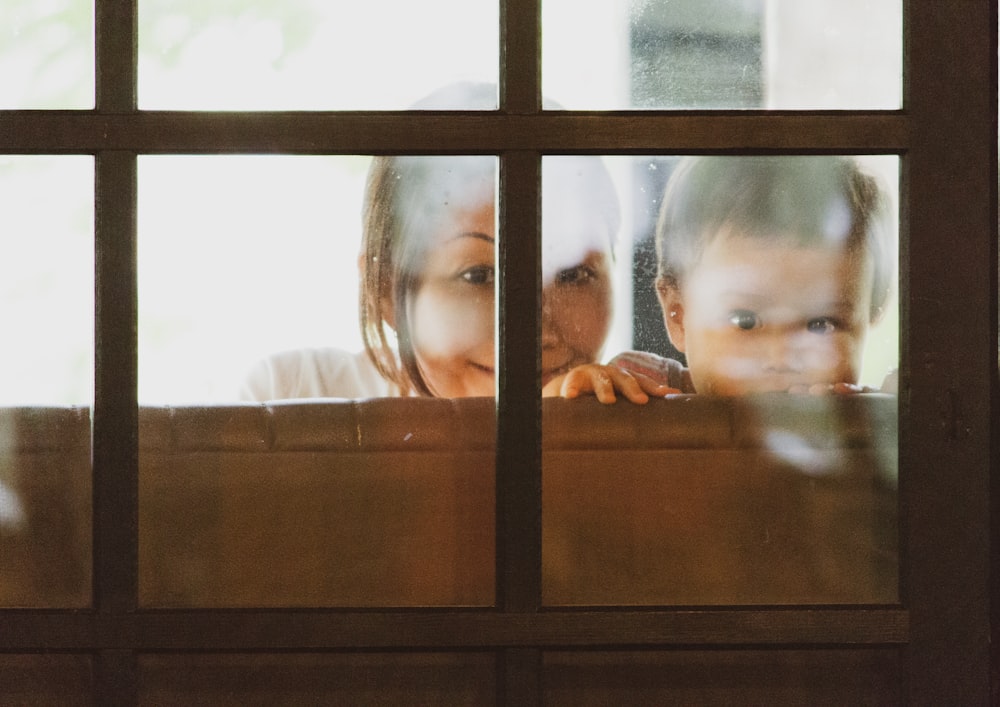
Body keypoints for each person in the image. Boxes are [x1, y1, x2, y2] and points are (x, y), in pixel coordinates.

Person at [240, 83, 625, 401]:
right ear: (385, 289)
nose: (533, 330)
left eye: (574, 274)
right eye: (478, 276)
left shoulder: (643, 400)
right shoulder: (295, 393)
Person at [551, 155, 897, 402]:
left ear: (870, 316)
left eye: (821, 324)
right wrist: (570, 392)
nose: (781, 357)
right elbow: (558, 436)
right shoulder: (642, 388)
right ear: (679, 316)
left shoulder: (860, 415)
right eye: (745, 320)